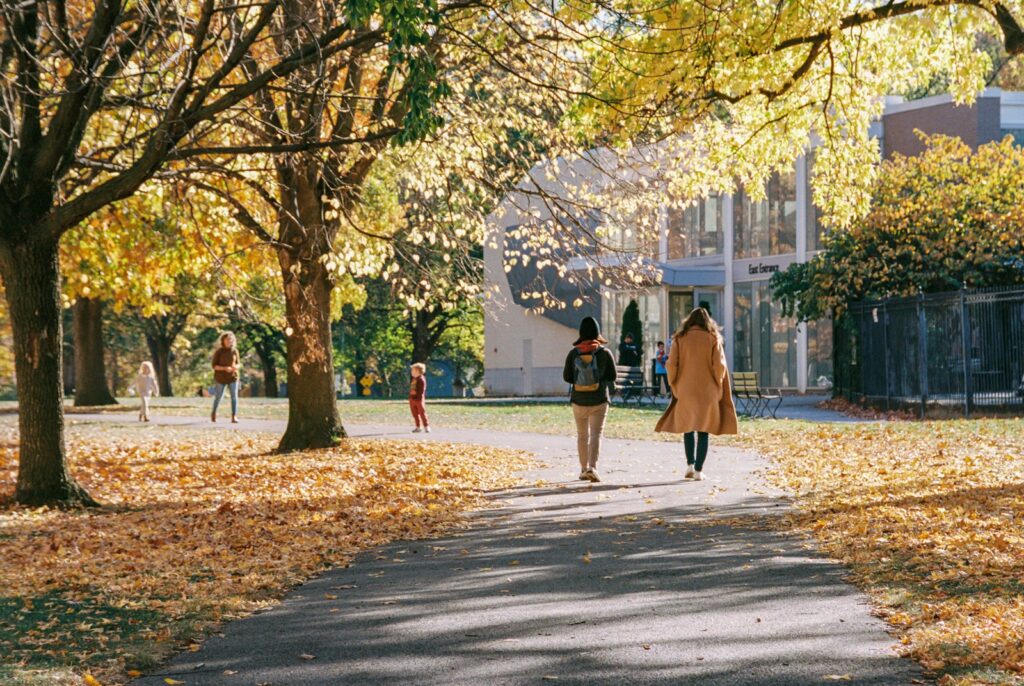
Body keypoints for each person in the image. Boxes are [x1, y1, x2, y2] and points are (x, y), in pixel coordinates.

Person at [655, 308, 738, 480]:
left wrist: (674, 384)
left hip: (685, 390)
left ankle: (690, 465)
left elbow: (671, 365)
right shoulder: (713, 338)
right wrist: (718, 386)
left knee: (688, 427)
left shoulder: (679, 338)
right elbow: (719, 366)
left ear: (689, 321)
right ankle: (699, 471)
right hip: (707, 391)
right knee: (703, 429)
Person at [563, 316, 616, 482]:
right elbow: (612, 376)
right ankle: (592, 467)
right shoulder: (604, 353)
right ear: (597, 332)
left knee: (582, 435)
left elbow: (567, 377)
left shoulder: (573, 353)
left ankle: (583, 468)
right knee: (595, 434)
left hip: (578, 400)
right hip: (599, 400)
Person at [211, 332, 241, 423]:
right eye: (227, 339)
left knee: (234, 397)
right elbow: (214, 366)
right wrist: (225, 368)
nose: (229, 341)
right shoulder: (219, 351)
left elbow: (238, 363)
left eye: (231, 339)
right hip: (220, 378)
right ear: (223, 341)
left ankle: (234, 416)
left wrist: (236, 367)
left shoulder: (235, 351)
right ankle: (214, 413)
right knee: (219, 396)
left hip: (233, 377)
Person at [409, 363, 430, 433]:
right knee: (414, 414)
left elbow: (421, 390)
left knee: (422, 413)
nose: (411, 372)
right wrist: (411, 398)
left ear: (418, 371)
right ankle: (418, 427)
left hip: (418, 400)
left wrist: (418, 399)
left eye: (413, 371)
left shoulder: (421, 379)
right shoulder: (414, 379)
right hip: (412, 399)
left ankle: (426, 426)